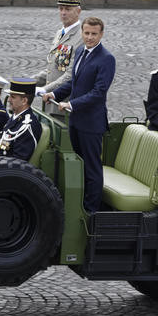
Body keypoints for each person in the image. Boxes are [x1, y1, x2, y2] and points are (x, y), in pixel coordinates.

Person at [43, 17, 115, 214]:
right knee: (78, 166)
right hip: (75, 121)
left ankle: (91, 212)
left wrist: (71, 104)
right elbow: (74, 84)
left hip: (91, 124)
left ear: (101, 34)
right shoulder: (81, 51)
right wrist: (54, 94)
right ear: (82, 33)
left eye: (94, 34)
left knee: (92, 169)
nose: (89, 37)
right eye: (86, 33)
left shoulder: (106, 58)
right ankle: (78, 205)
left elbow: (98, 93)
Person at [32, 0, 85, 117]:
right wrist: (29, 82)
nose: (63, 13)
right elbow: (55, 67)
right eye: (61, 8)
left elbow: (70, 75)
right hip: (50, 103)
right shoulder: (60, 32)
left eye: (67, 9)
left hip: (63, 105)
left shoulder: (81, 37)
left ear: (78, 11)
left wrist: (45, 89)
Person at [0, 78, 43, 161]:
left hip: (6, 171)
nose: (9, 100)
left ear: (24, 101)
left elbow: (18, 162)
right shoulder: (15, 117)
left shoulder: (28, 126)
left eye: (13, 97)